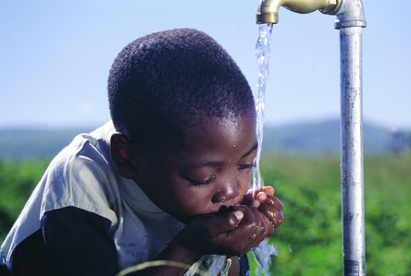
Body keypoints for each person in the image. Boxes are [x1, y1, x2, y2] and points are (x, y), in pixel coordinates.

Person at [0, 28, 283, 276]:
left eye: (245, 164)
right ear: (127, 158)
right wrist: (188, 248)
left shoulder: (182, 160)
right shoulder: (81, 181)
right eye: (203, 178)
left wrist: (233, 243)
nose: (231, 191)